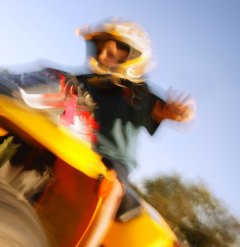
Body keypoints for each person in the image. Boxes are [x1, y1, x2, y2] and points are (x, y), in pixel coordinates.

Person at [74, 18, 194, 246]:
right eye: (99, 51)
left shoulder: (136, 94)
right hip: (74, 144)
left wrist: (178, 113)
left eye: (109, 53)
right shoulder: (84, 82)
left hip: (111, 159)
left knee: (113, 186)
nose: (100, 57)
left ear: (131, 56)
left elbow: (160, 111)